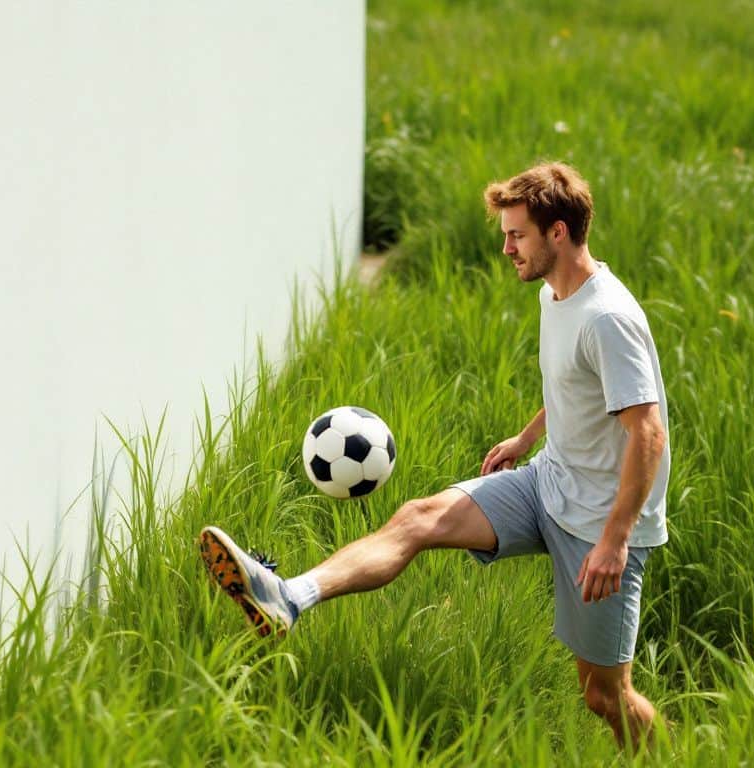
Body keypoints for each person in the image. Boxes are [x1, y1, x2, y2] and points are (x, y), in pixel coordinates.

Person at [198, 161, 670, 751]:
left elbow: (646, 431)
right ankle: (289, 596)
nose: (505, 248)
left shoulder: (608, 318)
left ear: (558, 233)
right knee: (418, 519)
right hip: (548, 481)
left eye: (516, 234)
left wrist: (615, 540)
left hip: (602, 522)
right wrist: (528, 439)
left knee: (603, 696)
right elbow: (581, 386)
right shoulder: (557, 292)